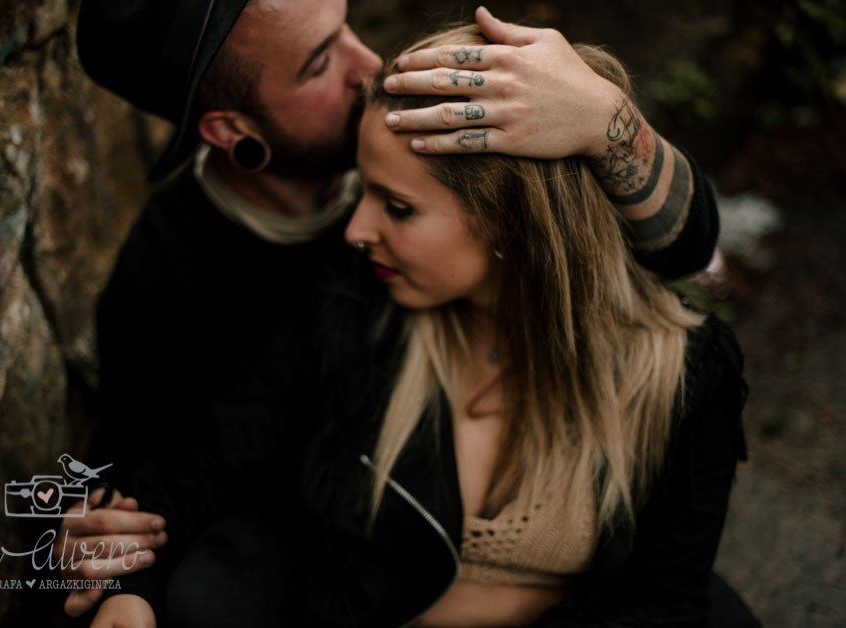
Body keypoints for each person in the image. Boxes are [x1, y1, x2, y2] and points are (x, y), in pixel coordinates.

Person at [63, 0, 724, 621]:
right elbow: (175, 464)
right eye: (320, 61)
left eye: (398, 205)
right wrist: (122, 568)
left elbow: (685, 241)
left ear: (510, 225)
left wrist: (604, 119)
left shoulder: (413, 134)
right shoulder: (211, 286)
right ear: (232, 130)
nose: (369, 64)